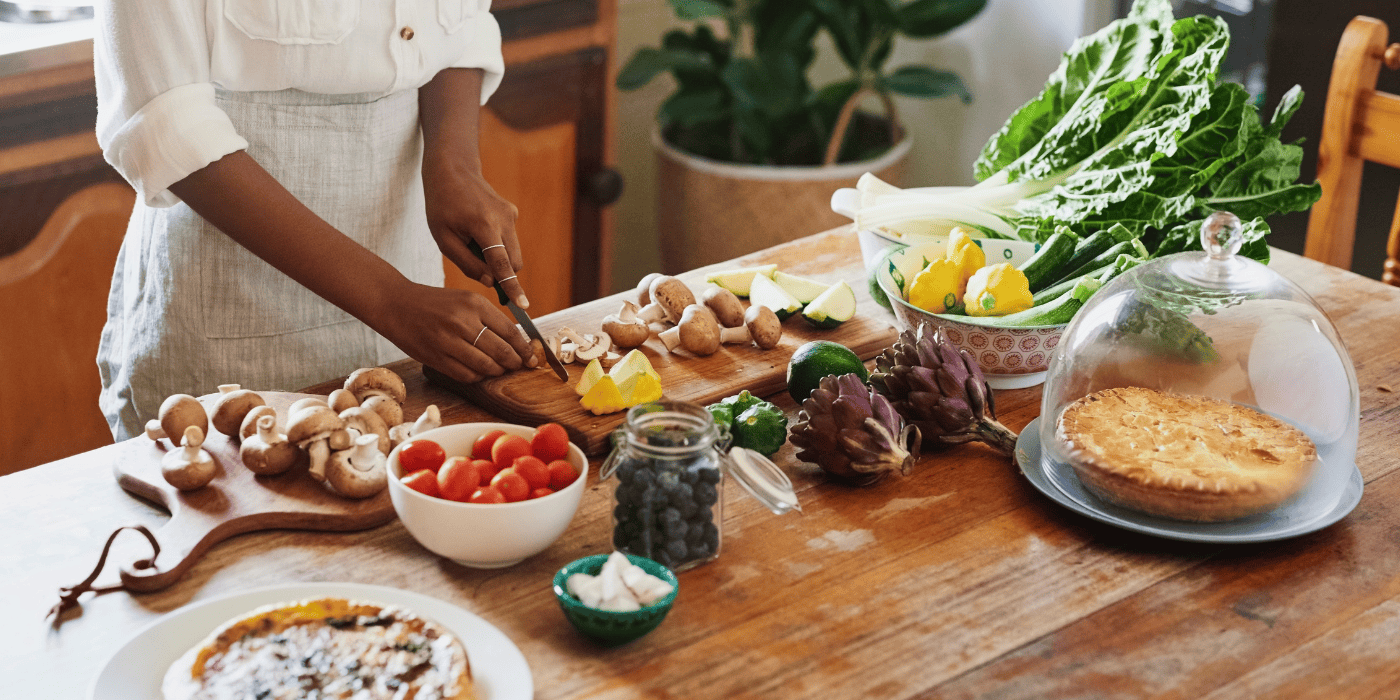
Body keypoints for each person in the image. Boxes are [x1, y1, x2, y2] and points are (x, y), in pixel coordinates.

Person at [93, 0, 538, 440]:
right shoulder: (396, 303)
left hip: (412, 288)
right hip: (233, 315)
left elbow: (460, 26)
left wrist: (454, 162)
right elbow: (166, 123)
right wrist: (391, 300)